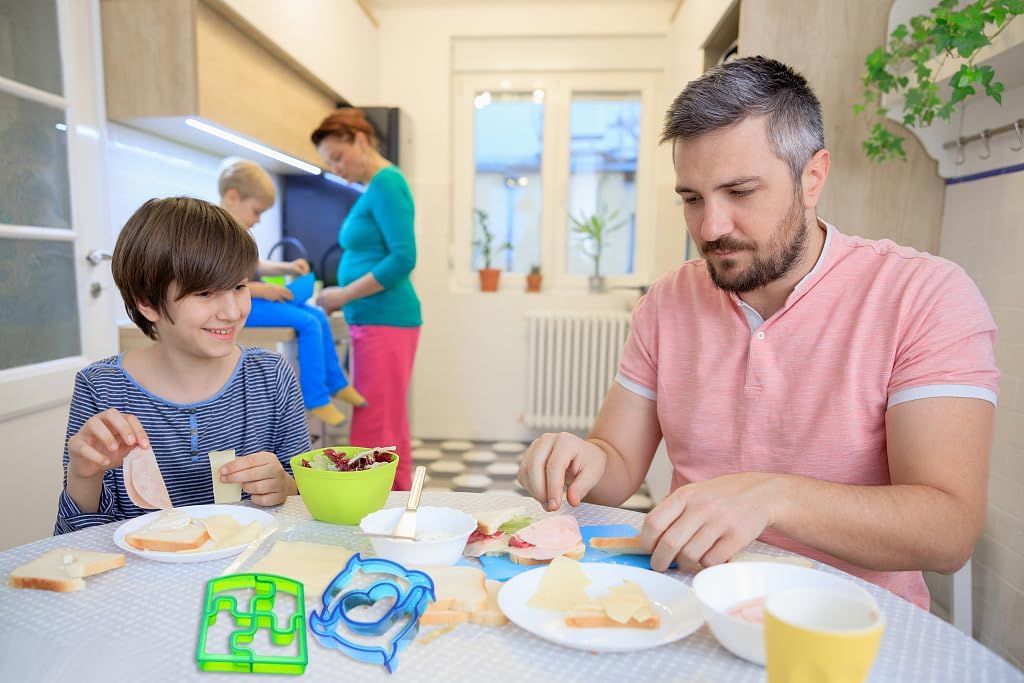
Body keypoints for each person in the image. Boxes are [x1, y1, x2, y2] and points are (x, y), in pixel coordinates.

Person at [517, 56, 998, 609]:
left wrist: (773, 497)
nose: (710, 227)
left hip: (848, 622)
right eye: (692, 199)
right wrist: (582, 458)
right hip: (686, 607)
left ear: (812, 177)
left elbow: (948, 529)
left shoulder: (925, 296)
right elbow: (618, 468)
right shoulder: (668, 300)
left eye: (739, 192)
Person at [55, 197, 311, 533]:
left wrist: (287, 487)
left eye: (238, 286)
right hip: (140, 581)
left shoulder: (271, 375)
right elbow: (74, 546)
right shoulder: (100, 386)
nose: (232, 312)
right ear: (147, 302)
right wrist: (82, 476)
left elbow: (307, 510)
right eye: (205, 293)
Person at [311, 107, 421, 491]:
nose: (336, 169)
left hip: (386, 319)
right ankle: (397, 506)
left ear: (359, 139)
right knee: (387, 423)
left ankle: (368, 511)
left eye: (338, 157)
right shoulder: (376, 187)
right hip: (376, 320)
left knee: (375, 424)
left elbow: (403, 258)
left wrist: (342, 294)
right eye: (329, 163)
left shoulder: (387, 183)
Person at [218, 157, 366, 428]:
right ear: (232, 197)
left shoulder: (237, 233)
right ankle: (316, 398)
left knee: (317, 315)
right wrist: (265, 289)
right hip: (242, 307)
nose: (258, 220)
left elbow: (256, 264)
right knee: (308, 322)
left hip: (255, 301)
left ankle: (336, 382)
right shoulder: (218, 233)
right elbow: (217, 283)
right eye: (256, 211)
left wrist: (287, 267)